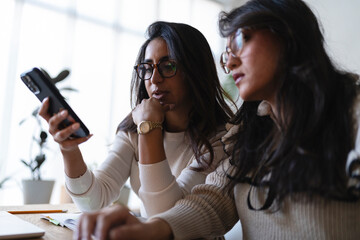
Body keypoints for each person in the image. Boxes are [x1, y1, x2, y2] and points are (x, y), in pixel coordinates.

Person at [74, 0, 360, 239]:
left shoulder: (352, 113)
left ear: (288, 36)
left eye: (240, 39)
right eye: (226, 53)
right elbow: (212, 202)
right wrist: (150, 227)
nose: (230, 61)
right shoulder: (249, 135)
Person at [39, 21, 234, 218]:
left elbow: (167, 217)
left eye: (168, 66)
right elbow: (93, 202)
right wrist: (69, 149)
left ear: (195, 70)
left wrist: (150, 129)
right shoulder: (135, 128)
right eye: (147, 68)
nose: (154, 79)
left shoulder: (222, 140)